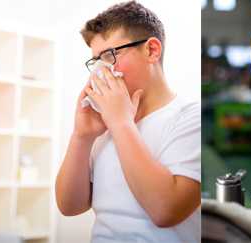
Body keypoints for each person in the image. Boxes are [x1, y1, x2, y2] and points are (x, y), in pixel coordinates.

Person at [54, 1, 201, 242]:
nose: (102, 71)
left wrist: (121, 124)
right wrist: (82, 136)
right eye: (96, 61)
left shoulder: (189, 117)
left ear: (152, 50)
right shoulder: (105, 124)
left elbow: (165, 211)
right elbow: (70, 207)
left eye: (110, 55)